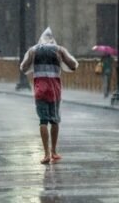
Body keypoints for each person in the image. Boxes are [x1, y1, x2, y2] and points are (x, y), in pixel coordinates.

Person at [20, 27, 78, 165]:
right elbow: (73, 65)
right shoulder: (59, 49)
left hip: (40, 89)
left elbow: (23, 68)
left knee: (43, 121)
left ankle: (46, 153)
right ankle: (54, 151)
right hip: (54, 89)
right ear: (52, 39)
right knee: (55, 120)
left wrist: (34, 60)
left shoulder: (33, 50)